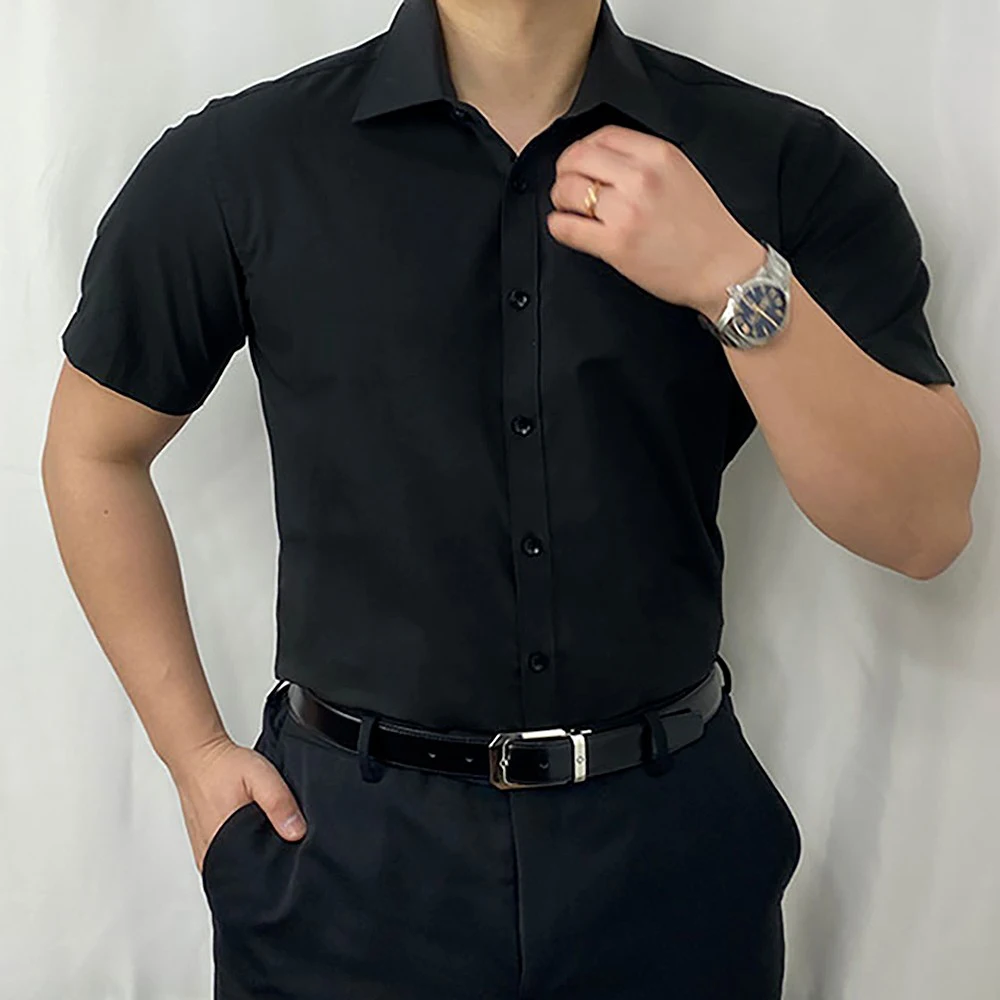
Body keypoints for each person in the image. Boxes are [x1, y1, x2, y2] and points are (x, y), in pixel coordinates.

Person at [42, 0, 981, 996]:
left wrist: (731, 277)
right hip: (342, 864)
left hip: (672, 861)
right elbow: (93, 450)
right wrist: (193, 754)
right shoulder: (243, 162)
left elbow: (923, 526)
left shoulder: (778, 162)